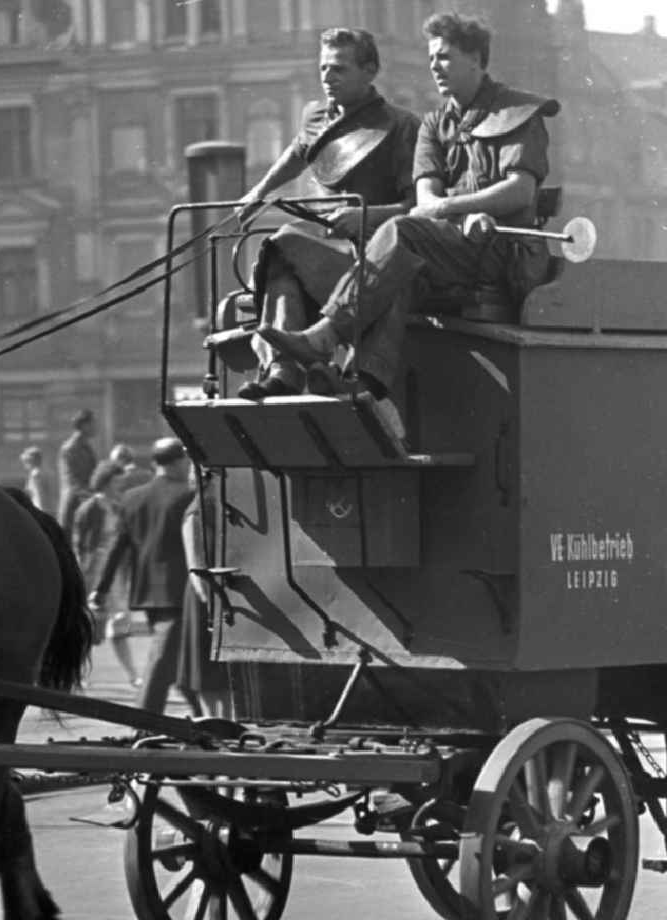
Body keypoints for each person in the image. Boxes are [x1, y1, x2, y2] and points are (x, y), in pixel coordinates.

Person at [258, 12, 559, 420]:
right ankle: (361, 382)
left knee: (403, 232)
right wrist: (442, 209)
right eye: (432, 57)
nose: (435, 66)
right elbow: (424, 194)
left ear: (477, 59)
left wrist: (453, 208)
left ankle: (326, 335)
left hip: (501, 250)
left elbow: (520, 189)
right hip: (448, 246)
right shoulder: (434, 124)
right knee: (399, 266)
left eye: (446, 57)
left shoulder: (518, 111)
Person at [235, 27, 420, 400]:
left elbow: (416, 209)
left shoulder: (401, 126)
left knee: (286, 243)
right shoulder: (315, 116)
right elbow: (297, 152)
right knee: (280, 247)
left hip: (379, 260)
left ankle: (340, 369)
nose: (327, 77)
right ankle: (283, 371)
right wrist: (260, 192)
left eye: (339, 69)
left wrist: (367, 217)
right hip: (331, 253)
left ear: (370, 70)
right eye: (323, 68)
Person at [89, 437, 198, 720]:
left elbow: (117, 547)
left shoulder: (131, 497)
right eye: (185, 460)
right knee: (164, 659)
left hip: (147, 592)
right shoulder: (187, 495)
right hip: (182, 591)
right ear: (176, 462)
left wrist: (100, 589)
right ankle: (144, 721)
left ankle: (203, 716)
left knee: (175, 657)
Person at [73, 460, 139, 683]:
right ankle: (78, 672)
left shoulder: (119, 506)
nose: (119, 486)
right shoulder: (90, 508)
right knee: (90, 624)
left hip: (115, 570)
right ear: (105, 482)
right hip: (94, 569)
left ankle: (132, 675)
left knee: (120, 621)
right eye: (116, 482)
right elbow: (81, 544)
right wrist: (84, 570)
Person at [176, 471, 232, 717]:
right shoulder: (198, 512)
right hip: (209, 594)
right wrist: (209, 602)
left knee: (214, 666)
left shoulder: (207, 507)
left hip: (216, 592)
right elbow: (196, 564)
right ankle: (214, 719)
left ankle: (223, 718)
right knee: (207, 665)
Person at [57, 408, 98, 540]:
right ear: (84, 425)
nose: (95, 427)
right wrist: (88, 495)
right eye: (93, 424)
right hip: (73, 504)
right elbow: (71, 479)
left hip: (86, 501)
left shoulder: (87, 447)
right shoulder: (70, 448)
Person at [19, 445, 54, 513]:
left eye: (26, 461)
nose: (24, 464)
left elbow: (40, 495)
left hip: (40, 509)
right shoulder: (41, 472)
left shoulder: (36, 474)